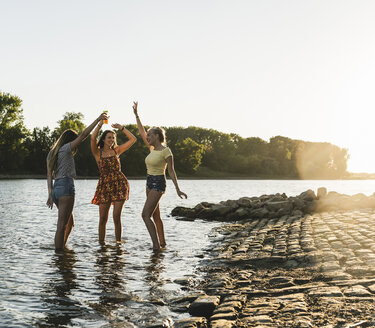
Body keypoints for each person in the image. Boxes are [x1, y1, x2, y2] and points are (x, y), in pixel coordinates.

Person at [47, 112, 107, 251]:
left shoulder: (51, 154)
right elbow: (84, 135)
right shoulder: (66, 148)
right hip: (66, 187)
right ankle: (59, 254)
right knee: (62, 225)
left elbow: (49, 175)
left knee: (70, 223)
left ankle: (62, 248)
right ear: (69, 140)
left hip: (56, 189)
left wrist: (50, 195)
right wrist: (97, 119)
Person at [132, 101, 187, 251]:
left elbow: (171, 171)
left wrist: (177, 189)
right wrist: (136, 115)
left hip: (158, 183)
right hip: (149, 182)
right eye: (147, 135)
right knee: (155, 216)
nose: (147, 137)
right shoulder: (152, 149)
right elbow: (141, 131)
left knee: (145, 215)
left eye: (150, 135)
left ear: (157, 136)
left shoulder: (166, 151)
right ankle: (163, 243)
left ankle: (156, 247)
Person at [91, 119, 136, 243]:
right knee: (103, 218)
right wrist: (100, 124)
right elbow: (92, 138)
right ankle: (101, 244)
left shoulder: (117, 151)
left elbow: (133, 139)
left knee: (116, 217)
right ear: (104, 139)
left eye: (113, 138)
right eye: (109, 138)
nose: (111, 140)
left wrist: (121, 127)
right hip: (104, 186)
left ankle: (118, 244)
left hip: (119, 184)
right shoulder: (97, 153)